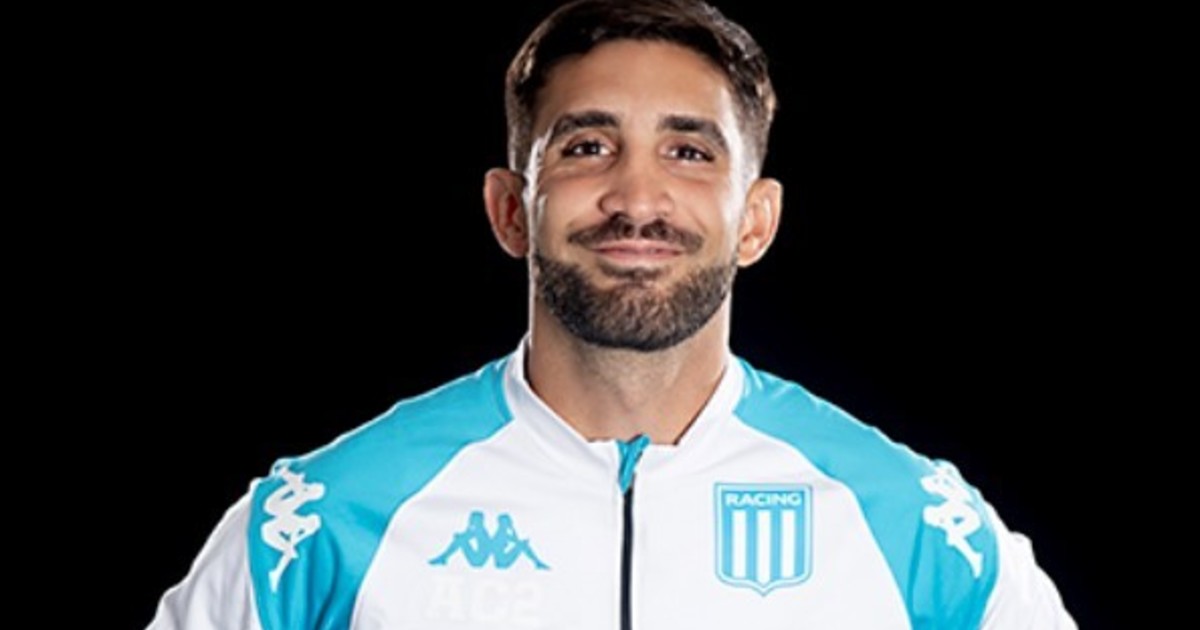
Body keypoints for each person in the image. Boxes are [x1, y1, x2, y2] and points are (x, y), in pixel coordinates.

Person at [148, 0, 1076, 628]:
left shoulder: (916, 530)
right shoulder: (322, 523)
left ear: (757, 220)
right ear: (511, 209)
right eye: (587, 147)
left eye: (689, 153)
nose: (637, 198)